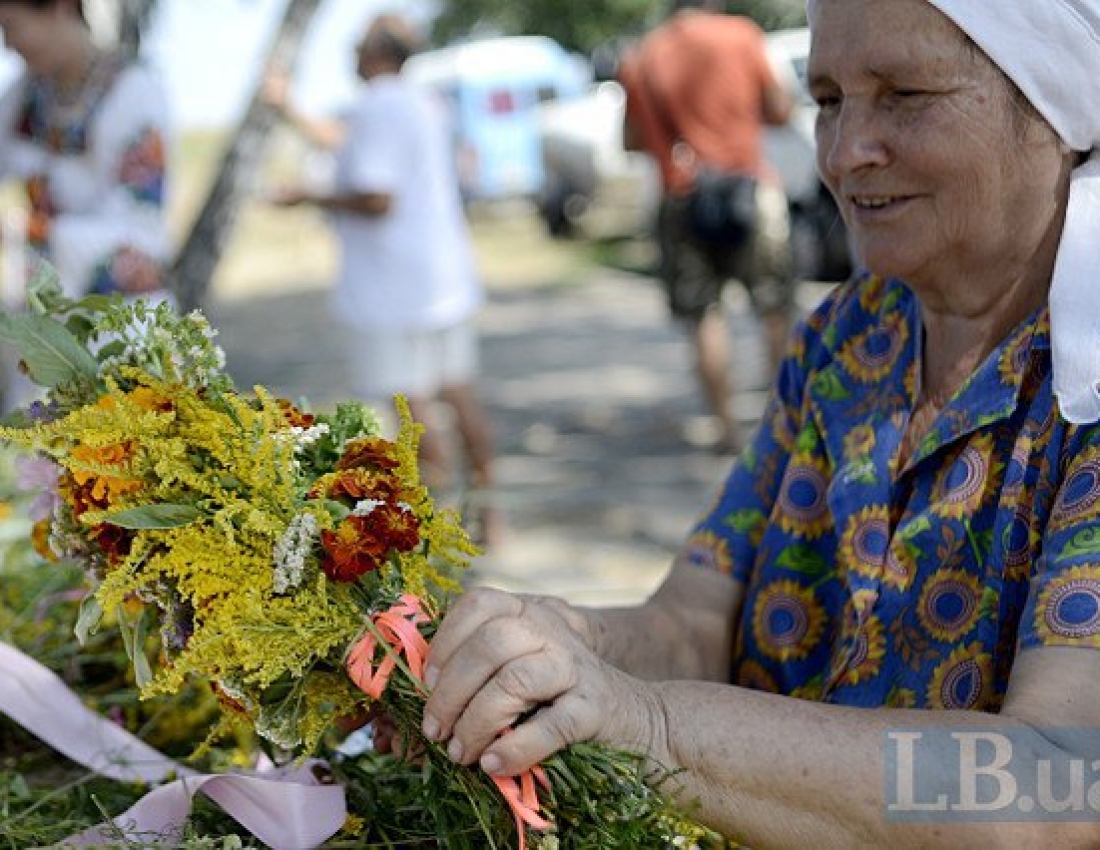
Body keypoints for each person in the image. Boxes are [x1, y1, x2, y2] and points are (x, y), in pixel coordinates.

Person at [417, 0, 1100, 845]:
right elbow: (695, 622)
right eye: (829, 101)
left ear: (1057, 104)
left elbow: (1058, 785)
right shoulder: (851, 335)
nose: (844, 153)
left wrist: (653, 726)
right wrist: (561, 639)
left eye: (906, 94)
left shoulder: (1086, 384)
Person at [265, 15, 500, 546]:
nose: (350, 52)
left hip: (395, 287)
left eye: (357, 44)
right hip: (442, 275)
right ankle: (492, 516)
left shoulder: (374, 106)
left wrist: (307, 196)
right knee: (459, 391)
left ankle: (436, 530)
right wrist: (289, 107)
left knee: (411, 407)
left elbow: (377, 196)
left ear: (374, 52)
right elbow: (349, 146)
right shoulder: (423, 102)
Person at [617, 0, 796, 454]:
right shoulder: (741, 36)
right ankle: (785, 428)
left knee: (704, 318)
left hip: (682, 198)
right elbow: (780, 110)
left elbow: (630, 140)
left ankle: (725, 429)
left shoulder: (643, 53)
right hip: (749, 189)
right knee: (773, 308)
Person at [0, 0, 172, 408]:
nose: (8, 44)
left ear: (60, 8)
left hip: (122, 332)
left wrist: (24, 230)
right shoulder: (23, 96)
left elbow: (140, 231)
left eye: (10, 25)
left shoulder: (135, 90)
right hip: (43, 336)